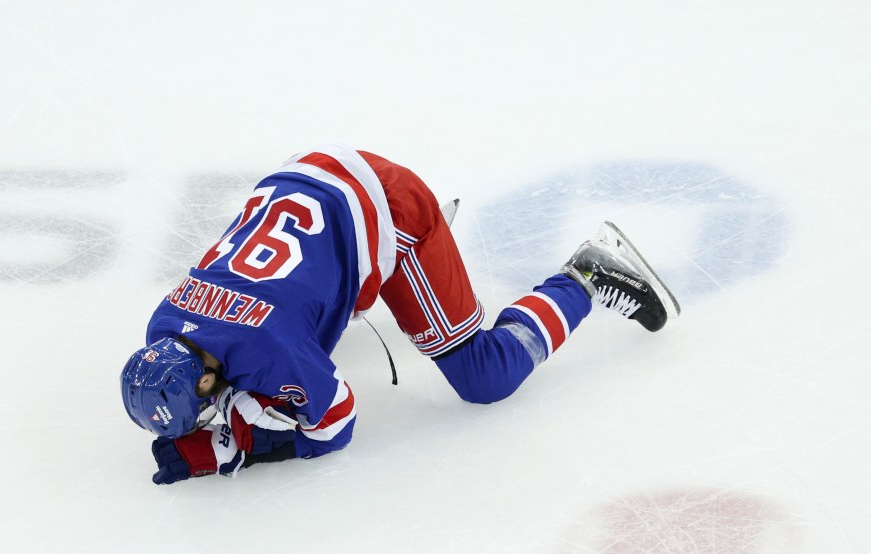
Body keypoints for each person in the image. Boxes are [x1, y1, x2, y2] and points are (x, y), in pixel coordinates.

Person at [121, 144, 680, 484]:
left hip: (390, 209)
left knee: (484, 376)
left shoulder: (270, 352)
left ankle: (586, 275)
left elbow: (333, 424)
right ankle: (407, 259)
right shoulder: (163, 322)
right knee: (309, 320)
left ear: (205, 376)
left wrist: (234, 447)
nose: (209, 415)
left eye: (203, 406)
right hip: (306, 177)